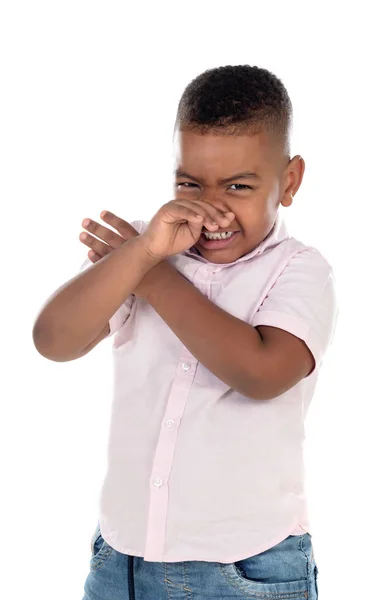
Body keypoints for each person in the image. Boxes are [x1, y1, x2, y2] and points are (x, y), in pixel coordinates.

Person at [33, 64, 338, 599]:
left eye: (239, 185)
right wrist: (140, 255)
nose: (211, 207)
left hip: (243, 570)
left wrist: (151, 275)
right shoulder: (147, 249)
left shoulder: (300, 270)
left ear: (289, 182)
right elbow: (53, 341)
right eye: (189, 183)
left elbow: (260, 373)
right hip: (119, 562)